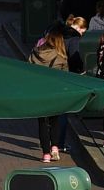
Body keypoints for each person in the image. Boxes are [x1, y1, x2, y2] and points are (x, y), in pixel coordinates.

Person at [28, 24, 75, 163]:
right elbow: (65, 77)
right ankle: (55, 147)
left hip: (39, 92)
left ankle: (46, 154)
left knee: (42, 122)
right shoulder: (60, 57)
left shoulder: (35, 52)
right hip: (55, 92)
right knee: (55, 121)